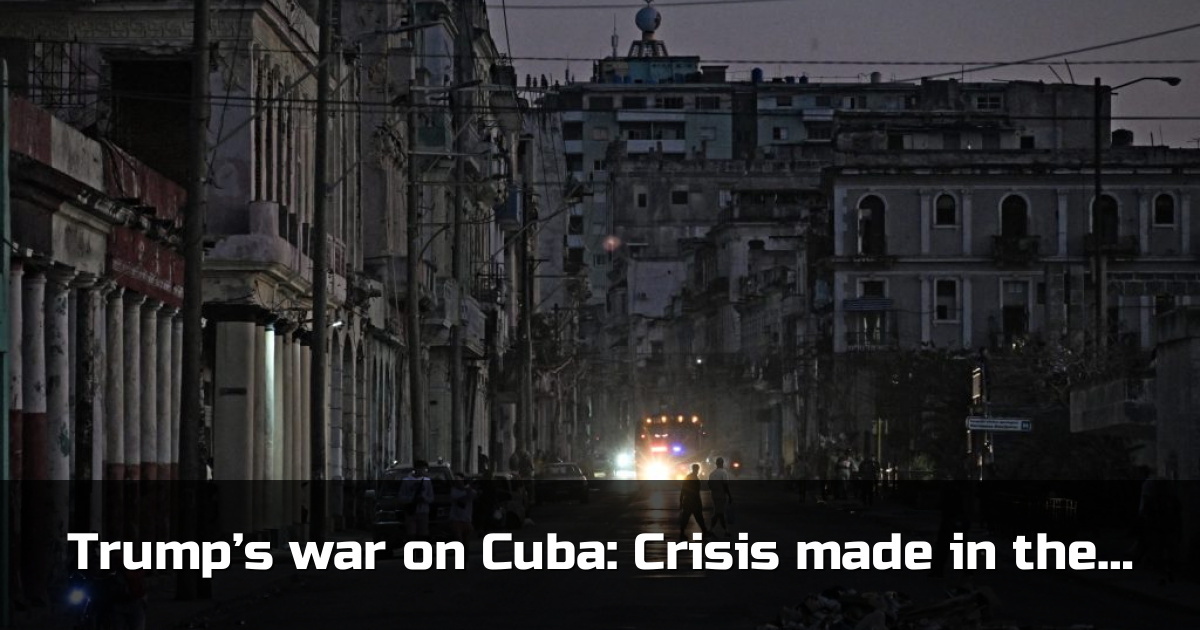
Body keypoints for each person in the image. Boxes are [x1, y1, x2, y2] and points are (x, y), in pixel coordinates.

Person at [400, 461, 435, 541]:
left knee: (423, 535)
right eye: (423, 469)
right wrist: (411, 499)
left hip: (423, 511)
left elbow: (431, 497)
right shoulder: (406, 481)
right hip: (411, 511)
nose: (424, 471)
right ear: (417, 469)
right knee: (411, 535)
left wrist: (424, 499)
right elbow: (401, 496)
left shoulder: (427, 481)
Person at [678, 463, 708, 540]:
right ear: (697, 469)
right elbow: (696, 492)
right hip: (694, 501)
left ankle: (682, 533)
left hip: (687, 501)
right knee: (699, 518)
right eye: (697, 469)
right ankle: (704, 532)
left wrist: (681, 501)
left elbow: (683, 490)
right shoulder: (695, 478)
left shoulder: (688, 477)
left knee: (686, 518)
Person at [449, 473, 477, 552]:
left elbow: (474, 495)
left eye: (459, 479)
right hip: (456, 520)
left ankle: (466, 561)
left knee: (466, 543)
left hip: (467, 520)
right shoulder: (454, 490)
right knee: (459, 542)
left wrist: (468, 490)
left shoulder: (470, 491)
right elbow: (460, 500)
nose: (457, 481)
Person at [708, 457, 733, 535]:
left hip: (714, 495)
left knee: (719, 512)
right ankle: (713, 530)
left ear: (716, 464)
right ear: (722, 463)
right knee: (719, 513)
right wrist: (729, 495)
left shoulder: (712, 473)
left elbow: (709, 485)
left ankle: (723, 530)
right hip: (721, 496)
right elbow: (726, 485)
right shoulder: (723, 473)